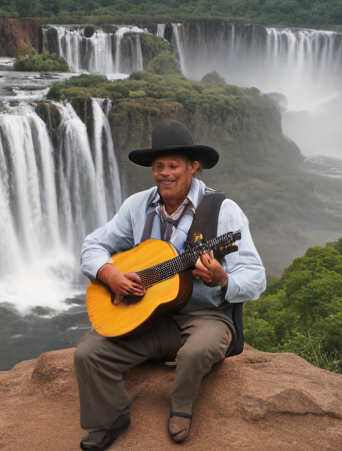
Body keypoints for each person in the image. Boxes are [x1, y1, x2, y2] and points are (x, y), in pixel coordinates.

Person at [75, 120, 266, 450]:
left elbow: (255, 278)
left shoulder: (223, 211)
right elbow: (93, 245)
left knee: (196, 351)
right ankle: (110, 418)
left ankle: (181, 406)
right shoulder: (137, 205)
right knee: (88, 353)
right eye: (158, 166)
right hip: (150, 316)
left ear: (193, 167)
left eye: (173, 165)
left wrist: (223, 279)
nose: (164, 173)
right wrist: (110, 275)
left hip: (207, 316)